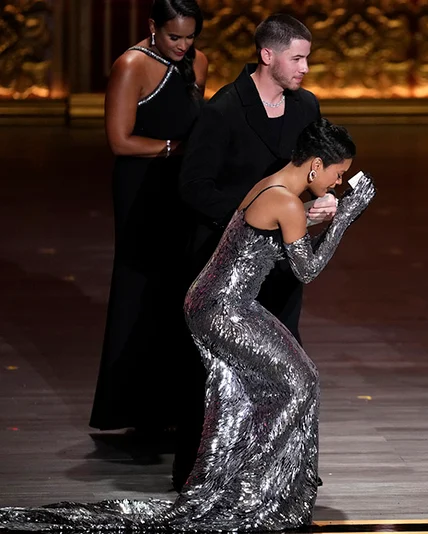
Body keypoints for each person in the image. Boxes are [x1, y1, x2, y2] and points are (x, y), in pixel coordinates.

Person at [0, 119, 375, 532]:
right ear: (315, 165)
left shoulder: (275, 188)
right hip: (221, 308)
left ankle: (257, 484)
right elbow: (306, 270)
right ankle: (255, 490)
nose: (340, 183)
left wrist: (311, 216)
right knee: (299, 382)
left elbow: (269, 238)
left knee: (278, 385)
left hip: (221, 302)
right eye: (339, 174)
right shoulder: (286, 202)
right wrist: (345, 218)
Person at [174, 13, 335, 490]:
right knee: (217, 372)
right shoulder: (223, 109)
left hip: (281, 261)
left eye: (307, 58)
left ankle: (283, 472)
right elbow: (194, 187)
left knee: (288, 364)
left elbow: (314, 169)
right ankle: (202, 474)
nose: (305, 67)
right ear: (268, 55)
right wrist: (256, 215)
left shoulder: (306, 107)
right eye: (298, 58)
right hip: (228, 263)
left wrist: (322, 202)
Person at [89, 0, 207, 434]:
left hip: (182, 189)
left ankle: (173, 405)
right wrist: (175, 149)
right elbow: (119, 141)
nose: (183, 45)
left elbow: (197, 124)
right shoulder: (131, 65)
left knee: (181, 286)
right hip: (142, 189)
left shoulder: (199, 62)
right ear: (153, 26)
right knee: (140, 284)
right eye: (174, 36)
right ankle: (129, 407)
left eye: (190, 36)